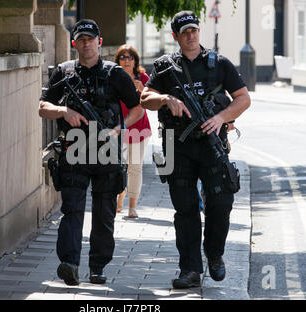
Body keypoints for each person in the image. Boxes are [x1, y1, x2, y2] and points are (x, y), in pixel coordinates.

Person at [141, 11, 251, 289]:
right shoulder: (165, 67)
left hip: (212, 146)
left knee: (221, 203)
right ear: (175, 36)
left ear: (199, 31)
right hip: (178, 147)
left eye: (194, 30)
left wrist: (221, 118)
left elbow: (243, 98)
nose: (190, 36)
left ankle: (214, 254)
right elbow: (144, 98)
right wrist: (166, 99)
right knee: (185, 209)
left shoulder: (219, 64)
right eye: (184, 32)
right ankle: (189, 269)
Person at [38, 19, 144, 286]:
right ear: (75, 43)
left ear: (99, 41)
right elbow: (42, 106)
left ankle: (97, 267)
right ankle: (70, 264)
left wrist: (119, 129)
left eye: (90, 39)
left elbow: (137, 109)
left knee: (104, 212)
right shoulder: (63, 73)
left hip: (106, 150)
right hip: (74, 149)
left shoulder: (115, 73)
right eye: (81, 39)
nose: (86, 44)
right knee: (72, 209)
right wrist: (64, 111)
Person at [114, 44, 152, 219]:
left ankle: (132, 207)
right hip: (118, 128)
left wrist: (142, 90)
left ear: (135, 60)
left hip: (139, 127)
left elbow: (153, 103)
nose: (126, 60)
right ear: (118, 60)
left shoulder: (143, 77)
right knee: (118, 167)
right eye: (123, 57)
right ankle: (119, 196)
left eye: (130, 57)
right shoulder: (112, 75)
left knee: (135, 168)